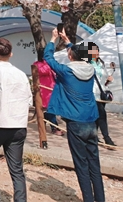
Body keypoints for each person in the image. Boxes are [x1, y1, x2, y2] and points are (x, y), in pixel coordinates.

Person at [45, 28, 104, 202]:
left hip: (75, 123)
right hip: (91, 122)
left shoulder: (66, 71)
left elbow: (48, 58)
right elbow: (80, 55)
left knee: (81, 165)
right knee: (94, 164)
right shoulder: (91, 69)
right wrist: (68, 41)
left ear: (70, 56)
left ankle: (88, 199)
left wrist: (53, 39)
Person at [0, 38, 32, 202]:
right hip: (18, 125)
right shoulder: (21, 73)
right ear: (11, 53)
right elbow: (29, 99)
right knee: (17, 168)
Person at [88, 43, 115, 147]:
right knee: (100, 115)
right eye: (94, 51)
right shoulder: (87, 64)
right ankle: (106, 138)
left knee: (99, 116)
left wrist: (109, 80)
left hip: (101, 92)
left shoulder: (101, 63)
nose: (97, 53)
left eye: (97, 50)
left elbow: (103, 80)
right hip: (92, 94)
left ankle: (95, 136)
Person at [34, 50, 62, 135]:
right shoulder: (37, 64)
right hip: (44, 91)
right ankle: (55, 127)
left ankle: (44, 126)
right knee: (49, 110)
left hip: (51, 89)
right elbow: (43, 71)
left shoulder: (49, 63)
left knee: (49, 110)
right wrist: (50, 64)